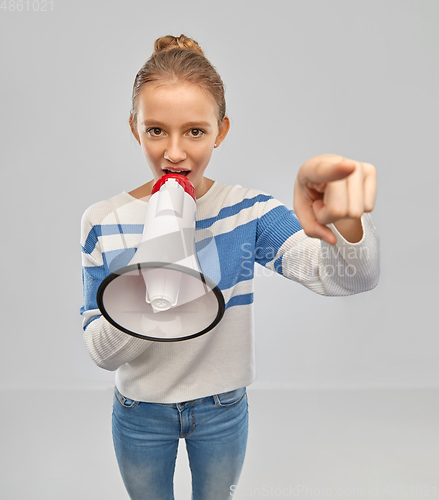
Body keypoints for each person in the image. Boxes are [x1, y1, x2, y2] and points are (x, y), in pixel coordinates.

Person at [79, 34, 380, 500]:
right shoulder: (103, 221)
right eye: (156, 130)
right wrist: (150, 280)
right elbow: (100, 352)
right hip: (140, 411)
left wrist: (345, 218)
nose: (174, 153)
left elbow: (350, 279)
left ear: (221, 130)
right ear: (135, 128)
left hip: (222, 409)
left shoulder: (249, 212)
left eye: (195, 131)